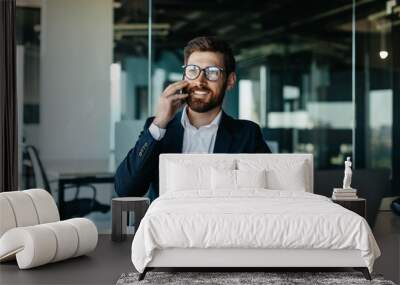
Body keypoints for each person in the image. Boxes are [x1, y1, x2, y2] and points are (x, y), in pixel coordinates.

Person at [115, 36, 271, 200]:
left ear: (230, 81)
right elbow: (127, 189)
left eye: (212, 72)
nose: (200, 80)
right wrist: (160, 123)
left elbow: (266, 193)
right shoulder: (159, 129)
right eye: (192, 70)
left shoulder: (247, 134)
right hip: (169, 224)